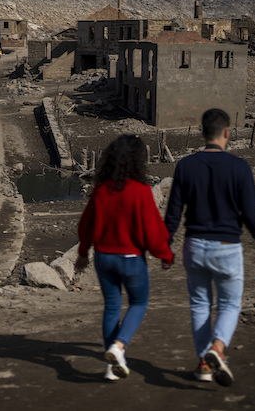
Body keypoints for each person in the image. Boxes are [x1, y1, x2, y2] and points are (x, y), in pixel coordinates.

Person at [164, 108, 255, 387]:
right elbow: (249, 211)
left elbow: (173, 212)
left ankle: (203, 364)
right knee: (230, 303)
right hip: (227, 247)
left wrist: (165, 246)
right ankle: (218, 348)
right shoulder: (239, 168)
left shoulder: (185, 166)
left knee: (200, 305)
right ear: (227, 133)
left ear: (202, 133)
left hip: (194, 246)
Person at [75, 135, 174, 381]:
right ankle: (119, 346)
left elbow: (85, 225)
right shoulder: (140, 192)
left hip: (103, 257)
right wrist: (165, 254)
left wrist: (82, 254)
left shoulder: (100, 190)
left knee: (111, 306)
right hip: (130, 258)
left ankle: (112, 366)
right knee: (138, 303)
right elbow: (152, 231)